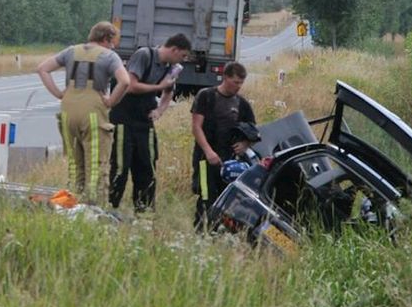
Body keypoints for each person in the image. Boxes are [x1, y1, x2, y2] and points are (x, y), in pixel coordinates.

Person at [37, 21, 130, 206]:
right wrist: (111, 101)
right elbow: (125, 81)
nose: (113, 46)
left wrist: (59, 94)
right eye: (112, 42)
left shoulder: (71, 51)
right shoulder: (109, 56)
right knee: (96, 167)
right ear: (106, 39)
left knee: (75, 165)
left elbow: (42, 69)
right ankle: (94, 210)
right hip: (93, 114)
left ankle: (72, 206)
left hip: (67, 113)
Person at [108, 33, 192, 213]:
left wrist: (159, 110)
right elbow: (130, 85)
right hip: (123, 118)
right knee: (121, 167)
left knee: (147, 167)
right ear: (174, 49)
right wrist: (157, 88)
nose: (183, 60)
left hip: (144, 122)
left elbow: (168, 92)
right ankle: (111, 207)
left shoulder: (171, 68)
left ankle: (144, 212)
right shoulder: (144, 55)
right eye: (182, 55)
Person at [191, 61, 256, 228]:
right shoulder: (206, 96)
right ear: (225, 77)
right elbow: (196, 127)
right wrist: (208, 151)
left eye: (241, 82)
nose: (239, 86)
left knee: (226, 198)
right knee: (206, 196)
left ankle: (218, 231)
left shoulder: (242, 104)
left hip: (229, 162)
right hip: (205, 158)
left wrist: (245, 144)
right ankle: (201, 231)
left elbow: (253, 131)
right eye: (235, 82)